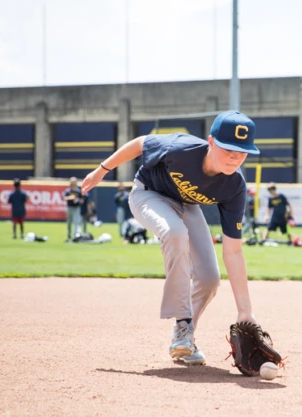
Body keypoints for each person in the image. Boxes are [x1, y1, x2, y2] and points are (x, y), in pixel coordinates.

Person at [80, 110, 262, 366]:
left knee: (210, 279)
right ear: (211, 142)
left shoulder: (235, 187)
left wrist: (245, 311)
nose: (234, 157)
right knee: (175, 232)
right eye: (228, 148)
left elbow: (233, 251)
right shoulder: (181, 148)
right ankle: (183, 321)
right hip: (148, 194)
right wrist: (102, 170)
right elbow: (140, 143)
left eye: (242, 151)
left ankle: (183, 339)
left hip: (187, 206)